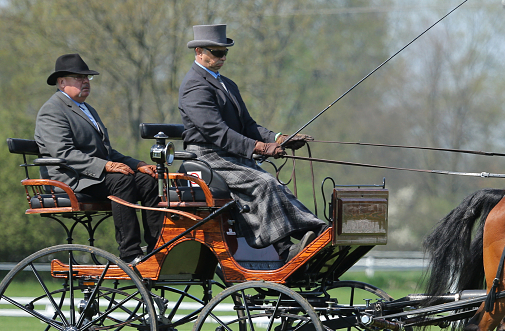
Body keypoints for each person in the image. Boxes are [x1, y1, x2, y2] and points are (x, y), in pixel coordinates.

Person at [177, 24, 326, 263]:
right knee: (264, 183)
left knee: (275, 183)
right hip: (208, 156)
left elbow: (247, 124)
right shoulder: (195, 86)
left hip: (230, 154)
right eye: (216, 52)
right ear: (199, 52)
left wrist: (278, 139)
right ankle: (286, 249)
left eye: (225, 52)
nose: (222, 57)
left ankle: (315, 232)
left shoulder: (227, 84)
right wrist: (259, 147)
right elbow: (217, 132)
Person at [35, 54, 163, 265]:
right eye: (78, 77)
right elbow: (63, 153)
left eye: (87, 78)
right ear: (61, 82)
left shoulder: (88, 109)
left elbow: (107, 153)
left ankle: (156, 248)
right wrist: (106, 166)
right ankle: (130, 253)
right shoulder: (52, 110)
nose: (85, 82)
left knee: (148, 180)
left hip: (94, 175)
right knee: (121, 181)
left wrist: (138, 165)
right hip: (70, 179)